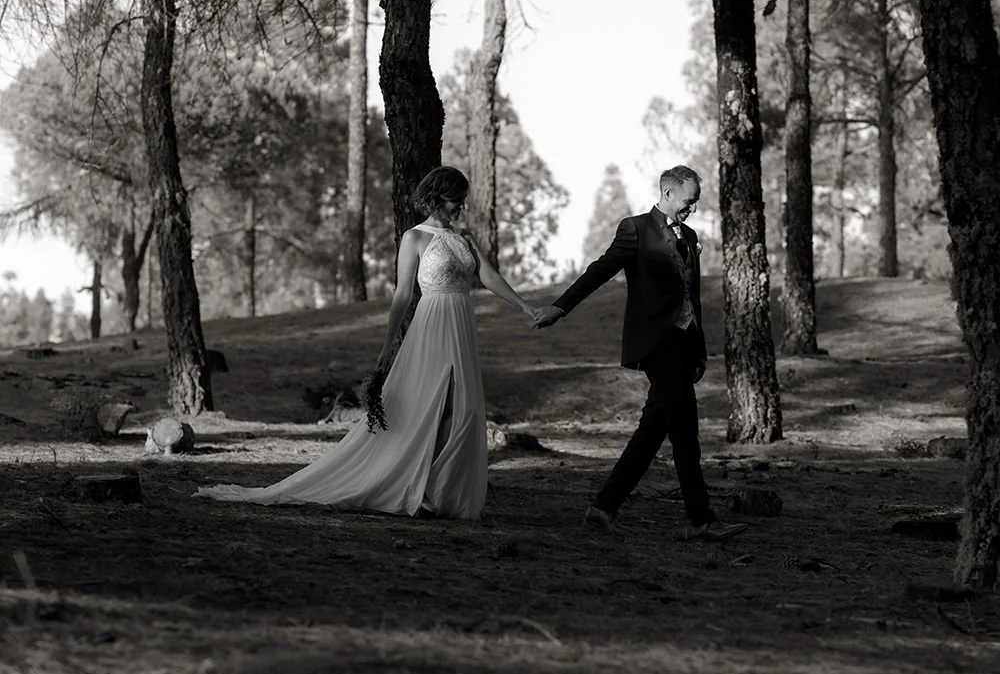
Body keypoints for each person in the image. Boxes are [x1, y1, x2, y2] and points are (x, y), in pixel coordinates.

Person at [197, 166, 541, 518]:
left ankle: (440, 489)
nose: (462, 207)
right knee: (432, 408)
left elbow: (489, 276)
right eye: (458, 200)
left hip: (461, 324)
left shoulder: (464, 238)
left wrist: (526, 308)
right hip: (432, 326)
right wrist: (387, 345)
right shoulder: (415, 238)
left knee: (464, 411)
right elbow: (403, 294)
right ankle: (418, 488)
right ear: (439, 196)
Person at [533, 165, 746, 542]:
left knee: (652, 431)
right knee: (686, 432)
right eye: (689, 201)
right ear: (667, 193)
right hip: (656, 342)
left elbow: (691, 296)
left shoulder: (690, 236)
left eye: (696, 202)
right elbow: (600, 271)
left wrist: (699, 350)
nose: (693, 209)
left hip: (683, 343)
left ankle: (603, 508)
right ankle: (699, 519)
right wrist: (560, 307)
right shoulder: (635, 229)